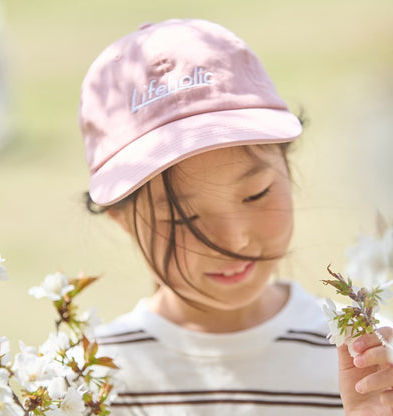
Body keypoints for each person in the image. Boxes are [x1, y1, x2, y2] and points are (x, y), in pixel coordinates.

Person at [78, 18, 393, 415]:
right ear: (121, 218)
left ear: (287, 166)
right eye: (184, 219)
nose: (234, 239)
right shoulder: (92, 379)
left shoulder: (367, 360)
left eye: (255, 193)